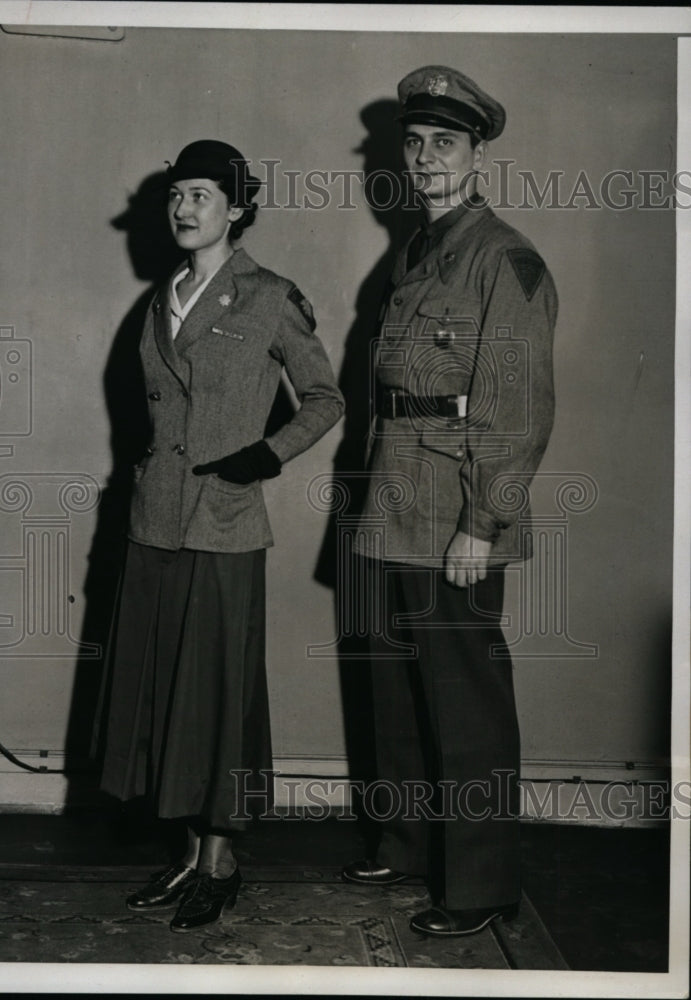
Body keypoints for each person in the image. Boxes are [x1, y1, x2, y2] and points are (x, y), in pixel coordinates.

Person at [99, 139, 344, 932]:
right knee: (165, 691)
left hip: (224, 523)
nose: (183, 209)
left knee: (219, 695)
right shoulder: (159, 297)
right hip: (152, 523)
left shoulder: (268, 295)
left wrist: (262, 456)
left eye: (200, 195)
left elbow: (323, 397)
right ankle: (185, 853)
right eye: (176, 195)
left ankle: (222, 859)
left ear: (237, 207)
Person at [342, 66, 557, 937]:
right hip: (394, 494)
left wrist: (482, 521)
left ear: (476, 154)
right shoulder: (418, 252)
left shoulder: (502, 258)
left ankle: (477, 887)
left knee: (463, 702)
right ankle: (407, 845)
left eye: (446, 143)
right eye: (416, 141)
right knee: (396, 690)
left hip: (455, 508)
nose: (427, 158)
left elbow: (519, 408)